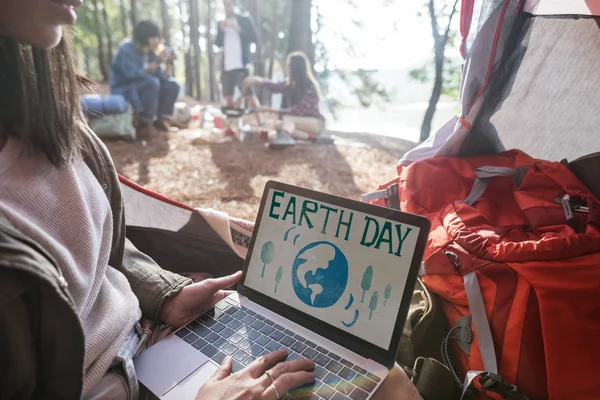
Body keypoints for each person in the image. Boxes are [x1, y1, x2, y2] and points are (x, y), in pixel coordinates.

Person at [0, 0, 422, 398]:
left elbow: (98, 253)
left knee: (380, 377)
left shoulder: (61, 133)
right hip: (123, 384)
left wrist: (166, 296)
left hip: (150, 339)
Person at [242, 51, 329, 149]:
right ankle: (313, 139)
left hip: (316, 123)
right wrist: (259, 81)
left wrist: (268, 110)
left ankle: (285, 137)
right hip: (297, 123)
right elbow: (276, 86)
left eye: (290, 66)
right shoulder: (291, 84)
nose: (288, 69)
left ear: (296, 68)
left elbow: (297, 112)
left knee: (287, 119)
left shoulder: (310, 87)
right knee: (279, 125)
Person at [110, 20, 180, 140]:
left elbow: (162, 78)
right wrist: (157, 62)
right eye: (152, 37)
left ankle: (160, 121)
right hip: (124, 89)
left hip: (144, 88)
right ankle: (144, 124)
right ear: (143, 37)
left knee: (173, 85)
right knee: (152, 83)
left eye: (157, 37)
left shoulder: (150, 53)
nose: (156, 41)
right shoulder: (126, 49)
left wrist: (169, 63)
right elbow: (133, 75)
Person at [215, 0, 260, 108]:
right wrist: (221, 30)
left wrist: (239, 30)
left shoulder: (244, 20)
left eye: (229, 4)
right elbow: (217, 44)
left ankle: (260, 123)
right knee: (228, 99)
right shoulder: (222, 23)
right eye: (225, 5)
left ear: (234, 4)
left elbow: (254, 38)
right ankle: (230, 123)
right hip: (226, 67)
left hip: (241, 66)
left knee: (249, 95)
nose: (227, 7)